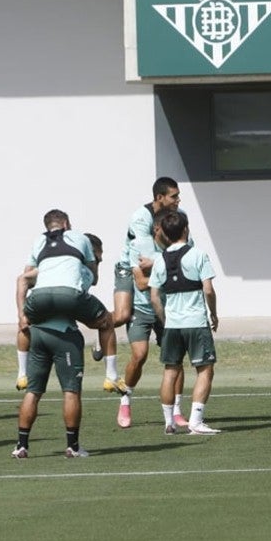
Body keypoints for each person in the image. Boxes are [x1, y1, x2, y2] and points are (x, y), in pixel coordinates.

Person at [13, 209, 114, 459]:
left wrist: (21, 314)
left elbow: (24, 277)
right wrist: (94, 263)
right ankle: (73, 445)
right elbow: (92, 280)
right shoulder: (81, 253)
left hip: (38, 331)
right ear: (67, 224)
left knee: (33, 392)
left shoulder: (40, 248)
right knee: (105, 323)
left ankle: (21, 446)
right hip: (64, 335)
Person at [99, 177, 184, 391]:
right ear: (159, 197)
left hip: (153, 267)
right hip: (129, 266)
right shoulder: (141, 218)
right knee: (122, 315)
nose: (178, 200)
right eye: (174, 196)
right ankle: (102, 332)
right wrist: (172, 261)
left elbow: (185, 248)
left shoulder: (179, 216)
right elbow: (143, 261)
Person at [149, 210, 220, 435]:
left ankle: (169, 423)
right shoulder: (198, 254)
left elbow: (154, 297)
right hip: (196, 322)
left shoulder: (159, 260)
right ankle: (196, 422)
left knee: (170, 370)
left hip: (172, 325)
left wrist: (164, 319)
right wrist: (214, 314)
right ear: (186, 229)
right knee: (205, 369)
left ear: (166, 235)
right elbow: (208, 289)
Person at [118, 220, 187, 429]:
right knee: (139, 355)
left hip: (169, 310)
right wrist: (169, 272)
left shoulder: (179, 245)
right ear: (157, 229)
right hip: (142, 309)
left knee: (175, 360)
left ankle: (176, 410)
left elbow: (186, 273)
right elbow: (140, 283)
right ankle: (125, 400)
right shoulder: (139, 245)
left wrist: (156, 264)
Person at [16, 232, 104, 392]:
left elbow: (95, 280)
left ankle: (22, 373)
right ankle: (111, 374)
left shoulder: (64, 259)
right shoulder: (77, 268)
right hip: (60, 311)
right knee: (106, 321)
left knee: (34, 393)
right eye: (99, 254)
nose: (101, 259)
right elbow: (24, 277)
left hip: (51, 311)